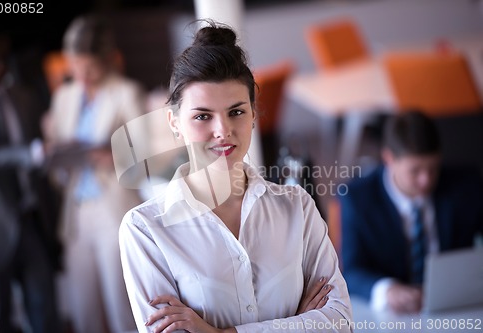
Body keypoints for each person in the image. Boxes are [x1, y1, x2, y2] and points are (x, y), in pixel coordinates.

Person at [119, 22, 352, 333]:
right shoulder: (145, 230)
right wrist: (299, 322)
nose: (222, 130)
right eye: (203, 116)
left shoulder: (297, 207)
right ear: (174, 122)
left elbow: (340, 322)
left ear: (254, 113)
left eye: (236, 112)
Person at [45, 14, 145, 333]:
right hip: (76, 213)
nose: (82, 76)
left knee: (121, 308)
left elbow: (149, 158)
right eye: (75, 67)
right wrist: (54, 153)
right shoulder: (63, 97)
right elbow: (57, 165)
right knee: (83, 310)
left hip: (114, 210)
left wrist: (112, 156)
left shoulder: (127, 93)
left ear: (106, 61)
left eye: (90, 68)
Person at [339, 111, 483, 314]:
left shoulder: (466, 186)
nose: (426, 180)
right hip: (394, 317)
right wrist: (387, 290)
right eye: (415, 171)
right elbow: (351, 271)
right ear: (389, 158)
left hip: (458, 309)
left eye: (433, 169)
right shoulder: (357, 199)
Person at [0, 22, 60, 333]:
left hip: (31, 219)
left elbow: (42, 151)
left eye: (4, 57)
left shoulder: (24, 96)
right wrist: (30, 154)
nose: (1, 66)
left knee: (45, 311)